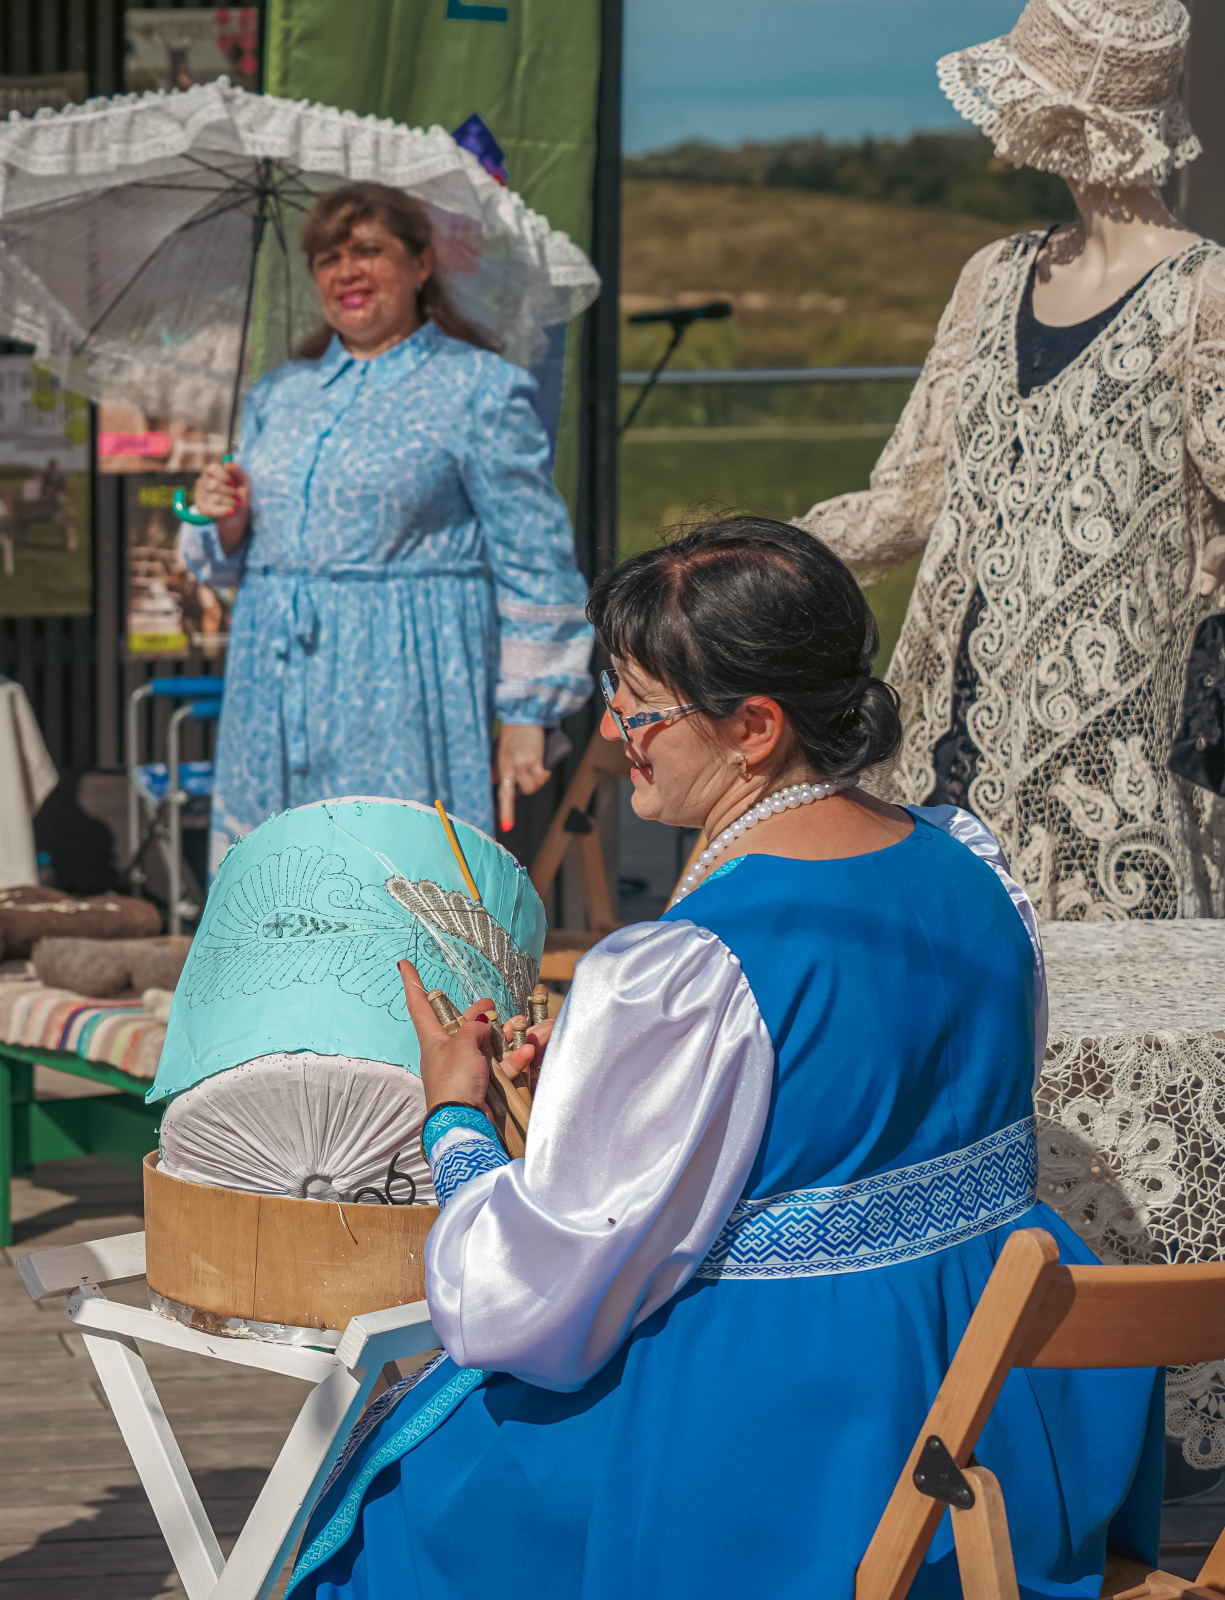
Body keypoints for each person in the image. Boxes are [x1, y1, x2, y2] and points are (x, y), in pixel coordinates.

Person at [287, 517, 1158, 1599]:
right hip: (1005, 1409)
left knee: (399, 1516)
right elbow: (886, 1111)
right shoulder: (971, 868)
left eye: (640, 706)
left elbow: (526, 1300)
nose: (616, 731)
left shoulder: (685, 964)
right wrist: (613, 1089)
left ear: (755, 726)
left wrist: (457, 1120)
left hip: (798, 1443)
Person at [799, 0, 1224, 919]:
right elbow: (907, 500)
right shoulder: (992, 276)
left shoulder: (1206, 293)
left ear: (1072, 105)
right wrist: (749, 563)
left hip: (1111, 758)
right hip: (946, 734)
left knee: (1103, 999)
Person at [183, 181, 589, 862]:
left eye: (368, 251)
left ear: (421, 263)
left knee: (393, 879)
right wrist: (217, 515)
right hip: (271, 676)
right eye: (328, 258)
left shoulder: (478, 387)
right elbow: (229, 560)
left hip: (400, 676)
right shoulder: (279, 394)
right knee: (280, 882)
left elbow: (535, 554)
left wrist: (526, 712)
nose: (346, 271)